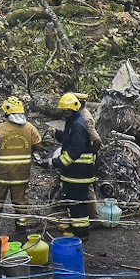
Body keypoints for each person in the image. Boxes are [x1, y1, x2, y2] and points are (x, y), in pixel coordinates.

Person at [0, 96, 42, 233]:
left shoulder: (0, 129)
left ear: (7, 112)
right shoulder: (29, 128)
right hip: (22, 173)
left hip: (2, 173)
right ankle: (21, 227)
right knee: (20, 201)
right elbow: (38, 143)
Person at [52, 92, 96, 237]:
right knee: (73, 202)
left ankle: (81, 232)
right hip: (74, 173)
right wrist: (57, 134)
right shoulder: (73, 121)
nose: (65, 113)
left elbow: (75, 150)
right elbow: (70, 139)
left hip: (79, 173)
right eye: (64, 110)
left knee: (78, 204)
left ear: (74, 108)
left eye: (67, 110)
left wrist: (57, 162)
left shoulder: (77, 125)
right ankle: (75, 227)